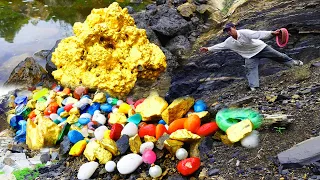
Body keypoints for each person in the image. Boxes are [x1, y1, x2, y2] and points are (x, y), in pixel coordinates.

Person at [199, 22, 303, 91]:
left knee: (280, 56)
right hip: (249, 56)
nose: (229, 32)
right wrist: (208, 49)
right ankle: (254, 88)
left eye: (229, 29)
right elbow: (220, 46)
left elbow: (258, 34)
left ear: (234, 28)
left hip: (261, 48)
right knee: (250, 69)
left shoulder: (245, 32)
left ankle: (295, 64)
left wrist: (272, 33)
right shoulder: (229, 42)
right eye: (227, 31)